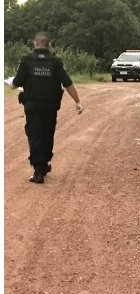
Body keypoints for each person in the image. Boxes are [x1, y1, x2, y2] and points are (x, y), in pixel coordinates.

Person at [10, 32, 84, 184]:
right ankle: (43, 164)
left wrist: (11, 84)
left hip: (32, 106)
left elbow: (16, 83)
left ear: (34, 43)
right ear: (49, 44)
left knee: (35, 135)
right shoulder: (56, 62)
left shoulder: (26, 61)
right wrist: (77, 102)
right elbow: (67, 83)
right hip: (50, 106)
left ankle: (38, 170)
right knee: (47, 134)